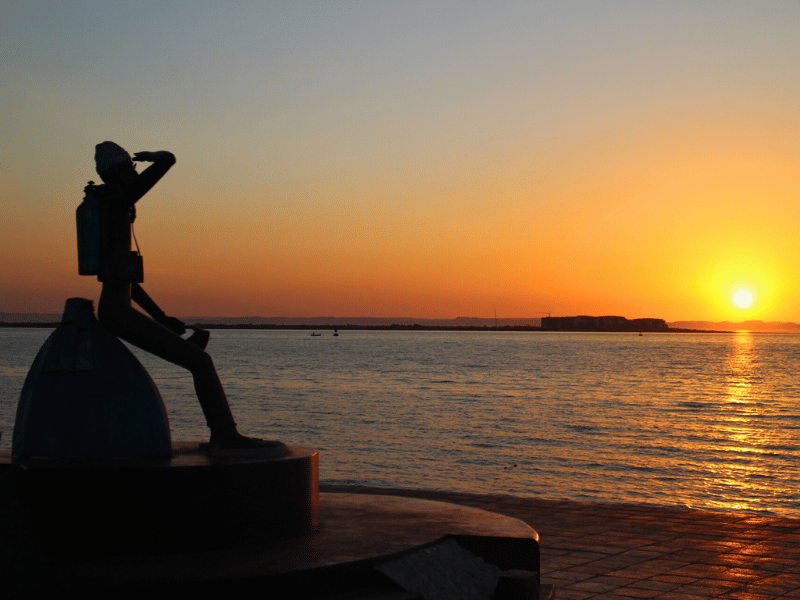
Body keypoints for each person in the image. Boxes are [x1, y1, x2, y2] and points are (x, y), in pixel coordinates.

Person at [92, 141, 285, 452]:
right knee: (201, 362)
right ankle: (224, 435)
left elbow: (124, 281)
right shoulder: (118, 201)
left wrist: (160, 318)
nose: (135, 173)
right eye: (131, 168)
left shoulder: (108, 207)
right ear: (118, 173)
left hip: (117, 309)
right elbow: (168, 159)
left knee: (196, 358)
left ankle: (223, 433)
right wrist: (152, 157)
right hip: (119, 312)